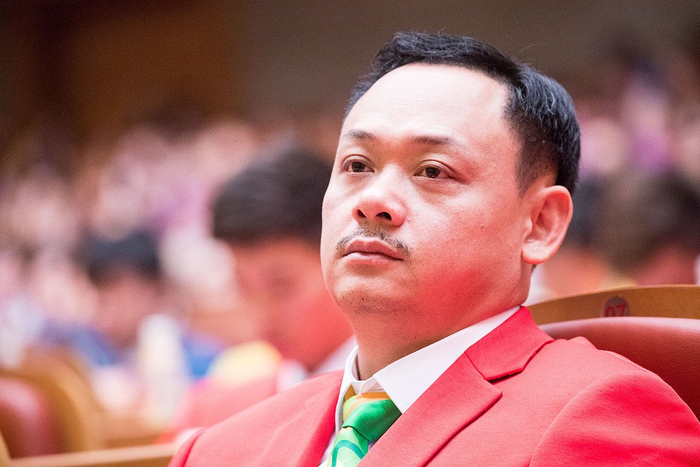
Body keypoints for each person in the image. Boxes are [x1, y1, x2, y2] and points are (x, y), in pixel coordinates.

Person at [170, 32, 700, 466]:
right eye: (357, 165)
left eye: (432, 171)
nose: (373, 200)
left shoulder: (602, 421)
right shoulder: (216, 450)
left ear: (539, 224)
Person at [162, 147, 354, 438]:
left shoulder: (393, 397)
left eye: (281, 287)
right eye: (243, 288)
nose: (262, 314)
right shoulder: (223, 406)